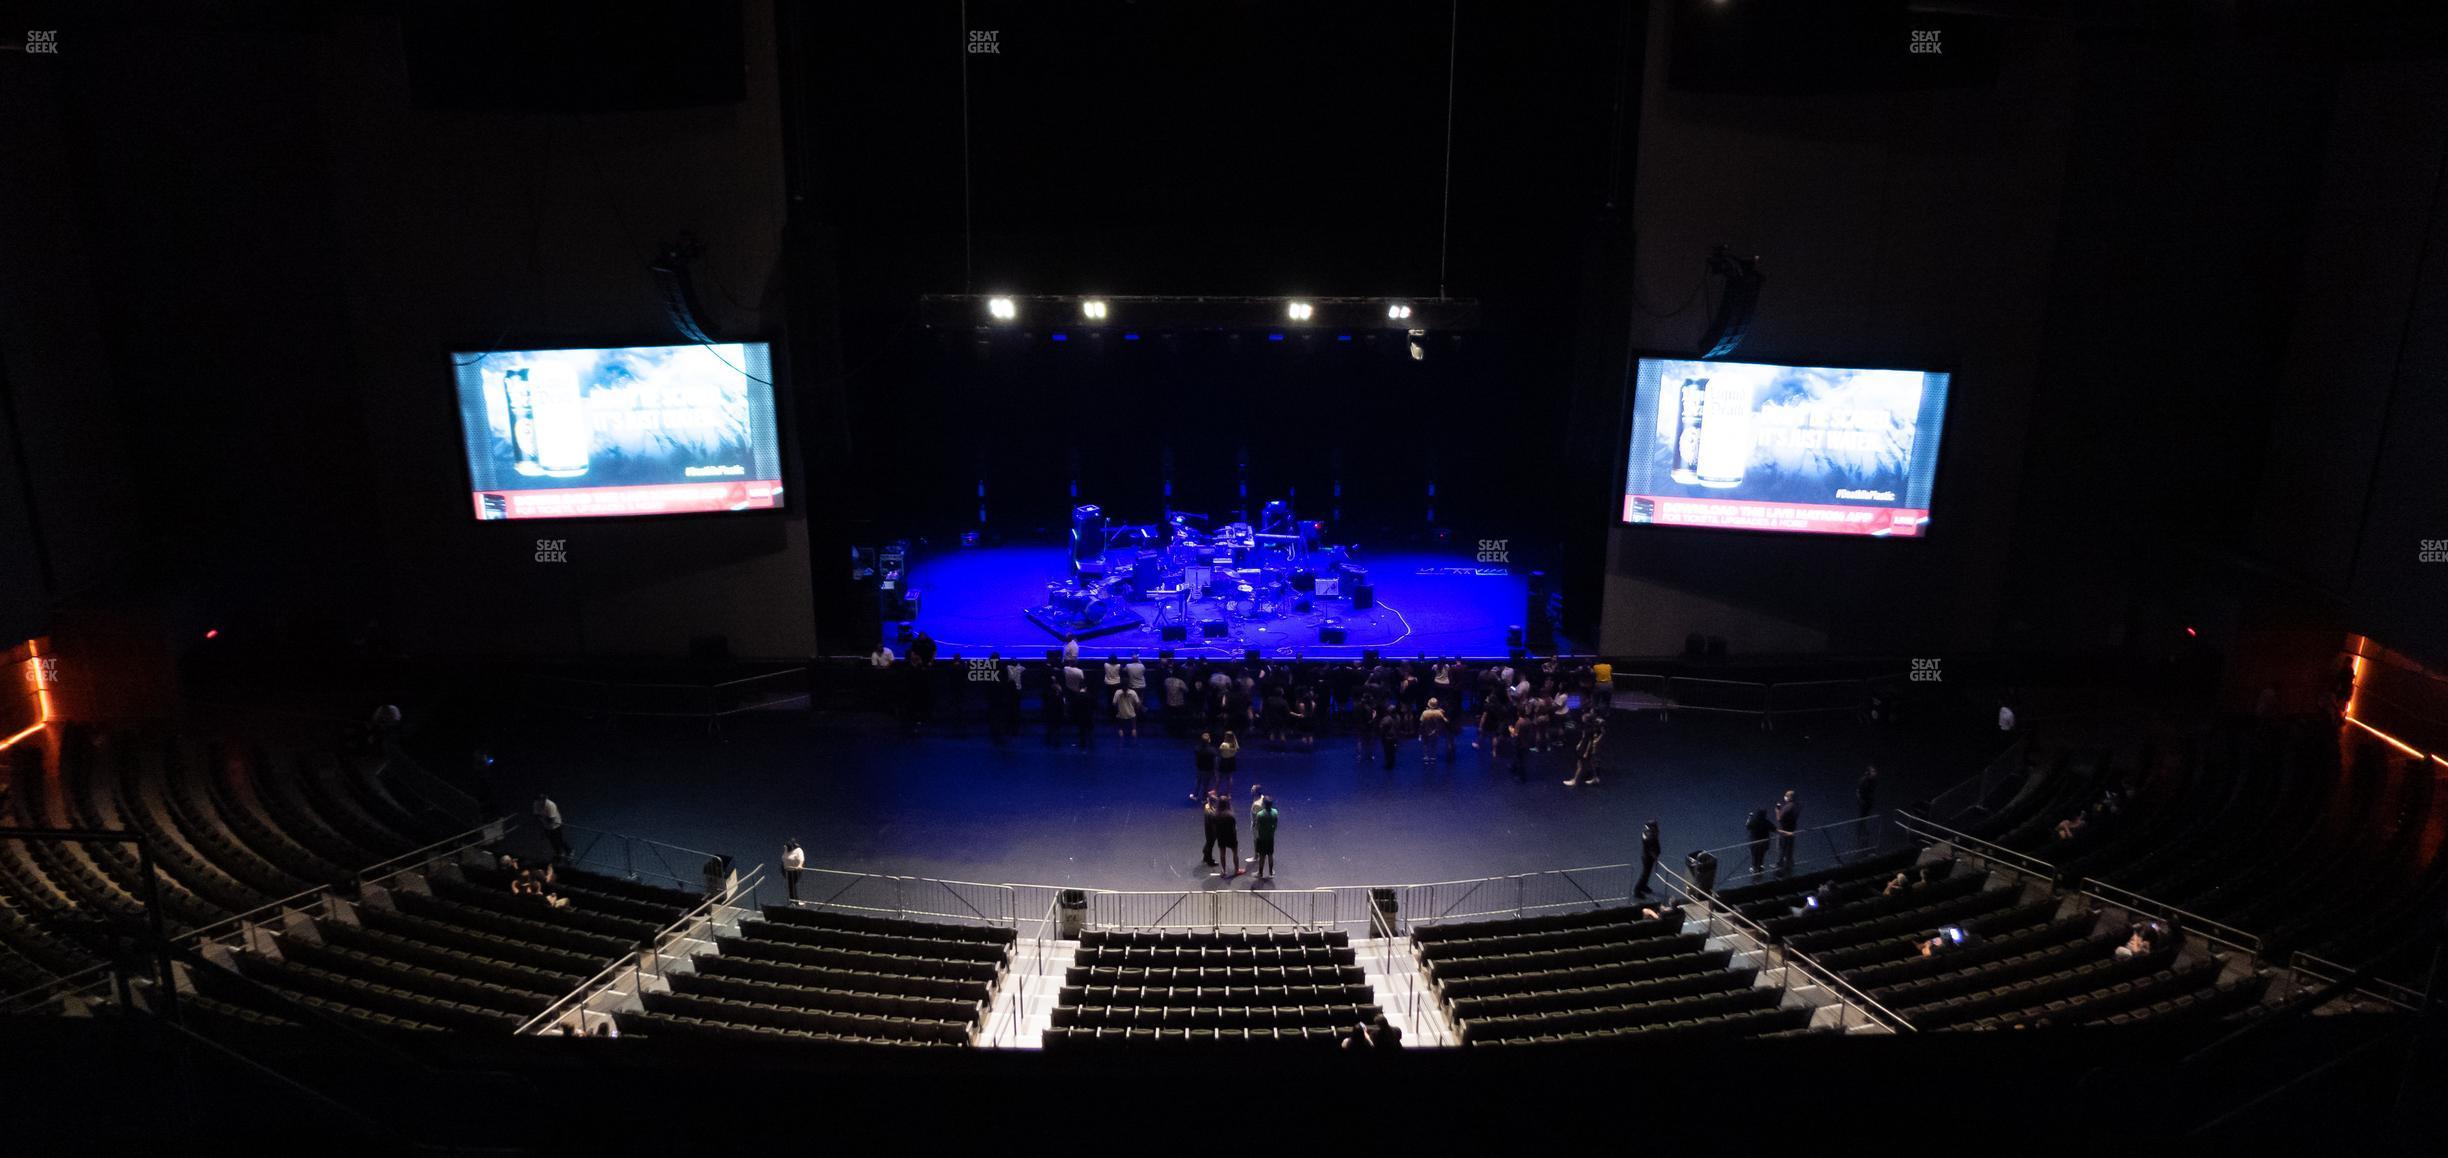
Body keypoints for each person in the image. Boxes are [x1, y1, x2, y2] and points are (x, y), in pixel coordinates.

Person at [1213, 792, 1244, 879]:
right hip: (1231, 836)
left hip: (1221, 836)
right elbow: (1234, 827)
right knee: (1235, 853)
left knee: (1222, 854)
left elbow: (1215, 826)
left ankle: (1223, 871)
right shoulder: (1230, 815)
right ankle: (1237, 869)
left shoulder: (1216, 814)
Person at [1250, 793, 1280, 880]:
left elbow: (1257, 826)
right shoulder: (1275, 812)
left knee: (1262, 856)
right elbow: (1276, 823)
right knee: (1270, 855)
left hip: (1262, 838)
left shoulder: (1260, 814)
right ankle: (1271, 872)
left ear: (1264, 804)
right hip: (1270, 837)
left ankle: (1260, 873)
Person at [532, 794, 569, 861]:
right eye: (539, 800)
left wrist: (542, 818)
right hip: (545, 825)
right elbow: (536, 815)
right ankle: (559, 853)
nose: (540, 802)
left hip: (555, 825)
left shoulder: (551, 805)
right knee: (551, 840)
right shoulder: (536, 803)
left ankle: (568, 850)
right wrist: (543, 819)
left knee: (559, 839)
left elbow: (551, 820)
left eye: (542, 800)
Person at [1774, 790, 1801, 874]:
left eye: (1786, 795)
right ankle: (1789, 863)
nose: (1785, 797)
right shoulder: (1797, 806)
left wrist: (1777, 811)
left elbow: (1779, 818)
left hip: (1784, 831)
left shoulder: (1788, 807)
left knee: (1781, 847)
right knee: (1789, 848)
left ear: (1789, 797)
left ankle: (1780, 864)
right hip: (1792, 830)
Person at [1634, 820, 1661, 898]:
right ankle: (1637, 890)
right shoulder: (1650, 837)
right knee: (1644, 874)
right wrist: (1655, 856)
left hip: (1647, 856)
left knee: (1647, 874)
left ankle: (1644, 886)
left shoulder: (1647, 832)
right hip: (1648, 858)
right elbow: (1651, 849)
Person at [1418, 699, 1448, 766]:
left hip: (1426, 730)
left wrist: (1420, 733)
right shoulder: (1439, 712)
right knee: (1433, 745)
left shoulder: (1424, 712)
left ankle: (1426, 757)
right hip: (1435, 731)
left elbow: (1421, 724)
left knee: (1426, 744)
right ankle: (1433, 757)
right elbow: (1445, 721)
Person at [1745, 808, 1773, 876]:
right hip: (1764, 844)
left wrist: (1749, 818)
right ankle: (1760, 866)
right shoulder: (1767, 822)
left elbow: (1747, 826)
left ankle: (1754, 868)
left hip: (1755, 844)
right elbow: (1773, 828)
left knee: (1754, 855)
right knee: (1762, 854)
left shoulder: (1754, 821)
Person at [1194, 732, 1219, 802]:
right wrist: (1215, 769)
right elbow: (1215, 761)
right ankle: (1204, 799)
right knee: (1206, 784)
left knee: (1198, 781)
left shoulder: (1197, 749)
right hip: (1208, 769)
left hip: (1199, 768)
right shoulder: (1212, 750)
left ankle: (1195, 795)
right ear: (1209, 740)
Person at [1200, 791, 1223, 868]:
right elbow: (1216, 820)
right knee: (1210, 844)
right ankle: (1209, 860)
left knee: (1209, 843)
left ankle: (1205, 855)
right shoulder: (1211, 813)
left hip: (1208, 829)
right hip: (1211, 831)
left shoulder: (1207, 806)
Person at [780, 839, 805, 903]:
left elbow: (801, 859)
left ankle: (795, 901)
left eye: (787, 847)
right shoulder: (786, 849)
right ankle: (793, 901)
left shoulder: (798, 850)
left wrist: (800, 865)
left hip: (795, 870)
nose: (786, 848)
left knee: (792, 884)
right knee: (790, 885)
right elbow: (784, 857)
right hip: (787, 869)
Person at [1217, 732, 1241, 796]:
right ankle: (1228, 793)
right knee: (1229, 777)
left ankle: (1216, 791)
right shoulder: (1235, 745)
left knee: (1220, 777)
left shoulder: (1224, 744)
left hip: (1224, 761)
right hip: (1231, 760)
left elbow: (1220, 751)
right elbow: (1237, 749)